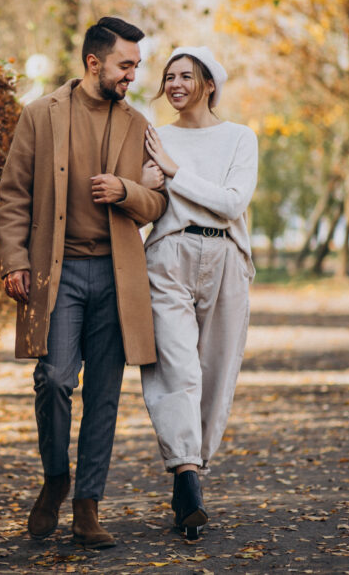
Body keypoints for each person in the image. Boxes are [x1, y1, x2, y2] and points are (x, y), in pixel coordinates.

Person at [0, 16, 168, 548]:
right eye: (125, 65)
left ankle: (88, 506)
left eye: (136, 66)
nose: (132, 76)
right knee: (53, 379)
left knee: (105, 396)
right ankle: (56, 480)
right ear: (94, 63)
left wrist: (125, 190)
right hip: (58, 274)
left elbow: (157, 202)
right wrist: (14, 260)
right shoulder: (40, 116)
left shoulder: (139, 124)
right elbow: (13, 195)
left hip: (117, 277)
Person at [139, 47, 258, 540]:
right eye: (168, 77)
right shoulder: (154, 136)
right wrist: (148, 178)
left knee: (215, 371)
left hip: (226, 256)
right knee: (176, 368)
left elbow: (232, 203)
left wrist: (173, 170)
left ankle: (194, 464)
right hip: (168, 254)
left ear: (209, 84)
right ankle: (186, 476)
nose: (174, 84)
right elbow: (147, 200)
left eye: (185, 76)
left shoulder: (239, 138)